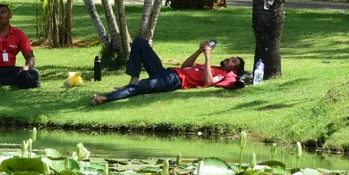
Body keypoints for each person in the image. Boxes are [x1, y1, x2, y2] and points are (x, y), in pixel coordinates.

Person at [91, 38, 245, 105]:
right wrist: (199, 51)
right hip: (167, 72)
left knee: (140, 88)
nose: (228, 59)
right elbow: (185, 66)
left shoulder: (222, 74)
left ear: (235, 69)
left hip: (173, 81)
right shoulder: (214, 67)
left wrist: (208, 57)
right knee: (139, 43)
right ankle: (133, 79)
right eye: (230, 58)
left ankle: (106, 99)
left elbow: (208, 82)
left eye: (232, 61)